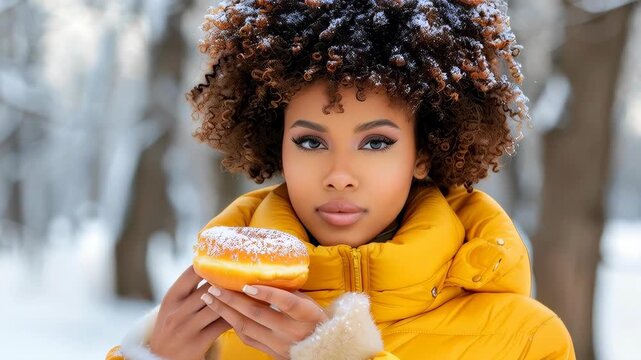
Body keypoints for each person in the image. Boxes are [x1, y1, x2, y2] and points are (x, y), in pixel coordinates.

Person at [106, 0, 575, 359]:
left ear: (424, 151)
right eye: (311, 142)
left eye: (376, 143)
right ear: (277, 145)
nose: (339, 176)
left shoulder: (526, 338)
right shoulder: (210, 327)